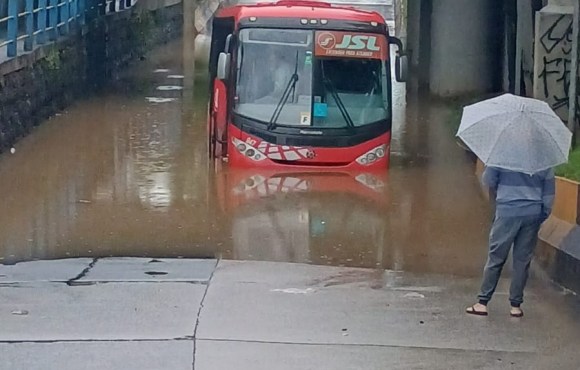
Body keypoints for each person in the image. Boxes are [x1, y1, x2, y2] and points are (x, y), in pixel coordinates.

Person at [466, 166, 555, 318]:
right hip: (532, 213)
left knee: (496, 257)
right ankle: (516, 306)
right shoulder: (543, 161)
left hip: (507, 211)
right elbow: (549, 194)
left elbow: (488, 179)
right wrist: (542, 214)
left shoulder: (502, 156)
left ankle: (482, 302)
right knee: (522, 260)